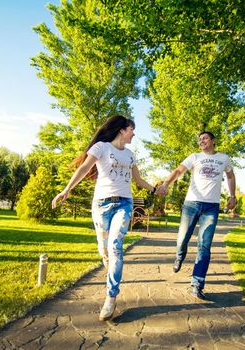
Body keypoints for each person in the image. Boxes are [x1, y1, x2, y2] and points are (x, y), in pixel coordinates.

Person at [52, 115, 157, 321]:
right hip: (101, 204)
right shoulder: (101, 147)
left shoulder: (130, 155)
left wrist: (155, 188)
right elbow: (83, 169)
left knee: (116, 247)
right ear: (121, 129)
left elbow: (138, 180)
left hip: (124, 204)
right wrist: (66, 190)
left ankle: (111, 296)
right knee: (104, 250)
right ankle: (112, 273)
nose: (133, 133)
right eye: (131, 129)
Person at [156, 131, 237, 300]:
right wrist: (165, 184)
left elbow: (230, 176)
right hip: (191, 204)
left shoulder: (224, 158)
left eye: (205, 138)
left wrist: (232, 195)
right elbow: (179, 170)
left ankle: (197, 283)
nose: (201, 141)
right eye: (199, 139)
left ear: (213, 141)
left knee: (204, 245)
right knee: (182, 239)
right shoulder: (194, 157)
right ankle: (179, 255)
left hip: (211, 207)